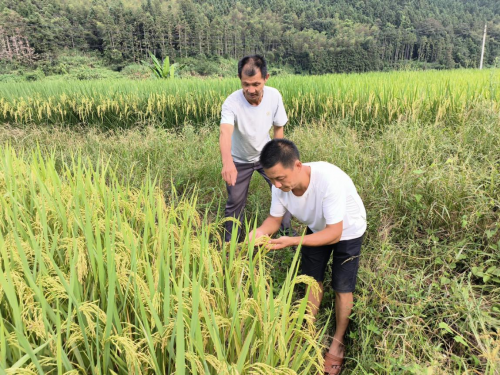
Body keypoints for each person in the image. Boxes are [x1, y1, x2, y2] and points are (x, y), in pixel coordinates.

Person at [248, 139, 366, 375]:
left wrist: (292, 240)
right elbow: (274, 220)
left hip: (347, 230)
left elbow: (334, 233)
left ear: (298, 165)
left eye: (280, 178)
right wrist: (258, 233)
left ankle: (338, 343)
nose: (276, 184)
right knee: (312, 278)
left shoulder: (328, 181)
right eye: (271, 179)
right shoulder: (279, 186)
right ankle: (307, 331)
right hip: (317, 226)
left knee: (342, 286)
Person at [220, 55, 292, 242]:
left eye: (256, 84)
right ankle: (231, 243)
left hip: (265, 156)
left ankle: (285, 234)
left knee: (282, 191)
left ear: (266, 78)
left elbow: (278, 127)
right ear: (239, 79)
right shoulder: (231, 103)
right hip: (239, 160)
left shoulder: (274, 96)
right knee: (235, 202)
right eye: (246, 84)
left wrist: (278, 159)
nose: (251, 90)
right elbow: (225, 133)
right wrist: (227, 162)